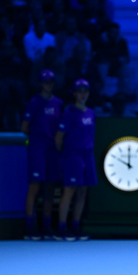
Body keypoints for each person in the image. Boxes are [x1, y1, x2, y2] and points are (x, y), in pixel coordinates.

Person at [21, 70, 64, 240]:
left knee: (50, 188)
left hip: (53, 150)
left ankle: (46, 226)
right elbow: (24, 127)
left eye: (51, 81)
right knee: (35, 187)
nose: (48, 84)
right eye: (46, 82)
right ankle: (30, 226)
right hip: (38, 148)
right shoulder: (34, 102)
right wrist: (34, 140)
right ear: (40, 83)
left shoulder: (59, 103)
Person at [54, 79, 97, 241]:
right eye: (79, 91)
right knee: (70, 190)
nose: (83, 94)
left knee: (83, 191)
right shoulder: (69, 113)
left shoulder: (91, 113)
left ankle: (76, 225)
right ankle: (62, 227)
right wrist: (64, 155)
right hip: (73, 155)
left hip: (87, 155)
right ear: (74, 93)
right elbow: (59, 137)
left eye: (85, 91)